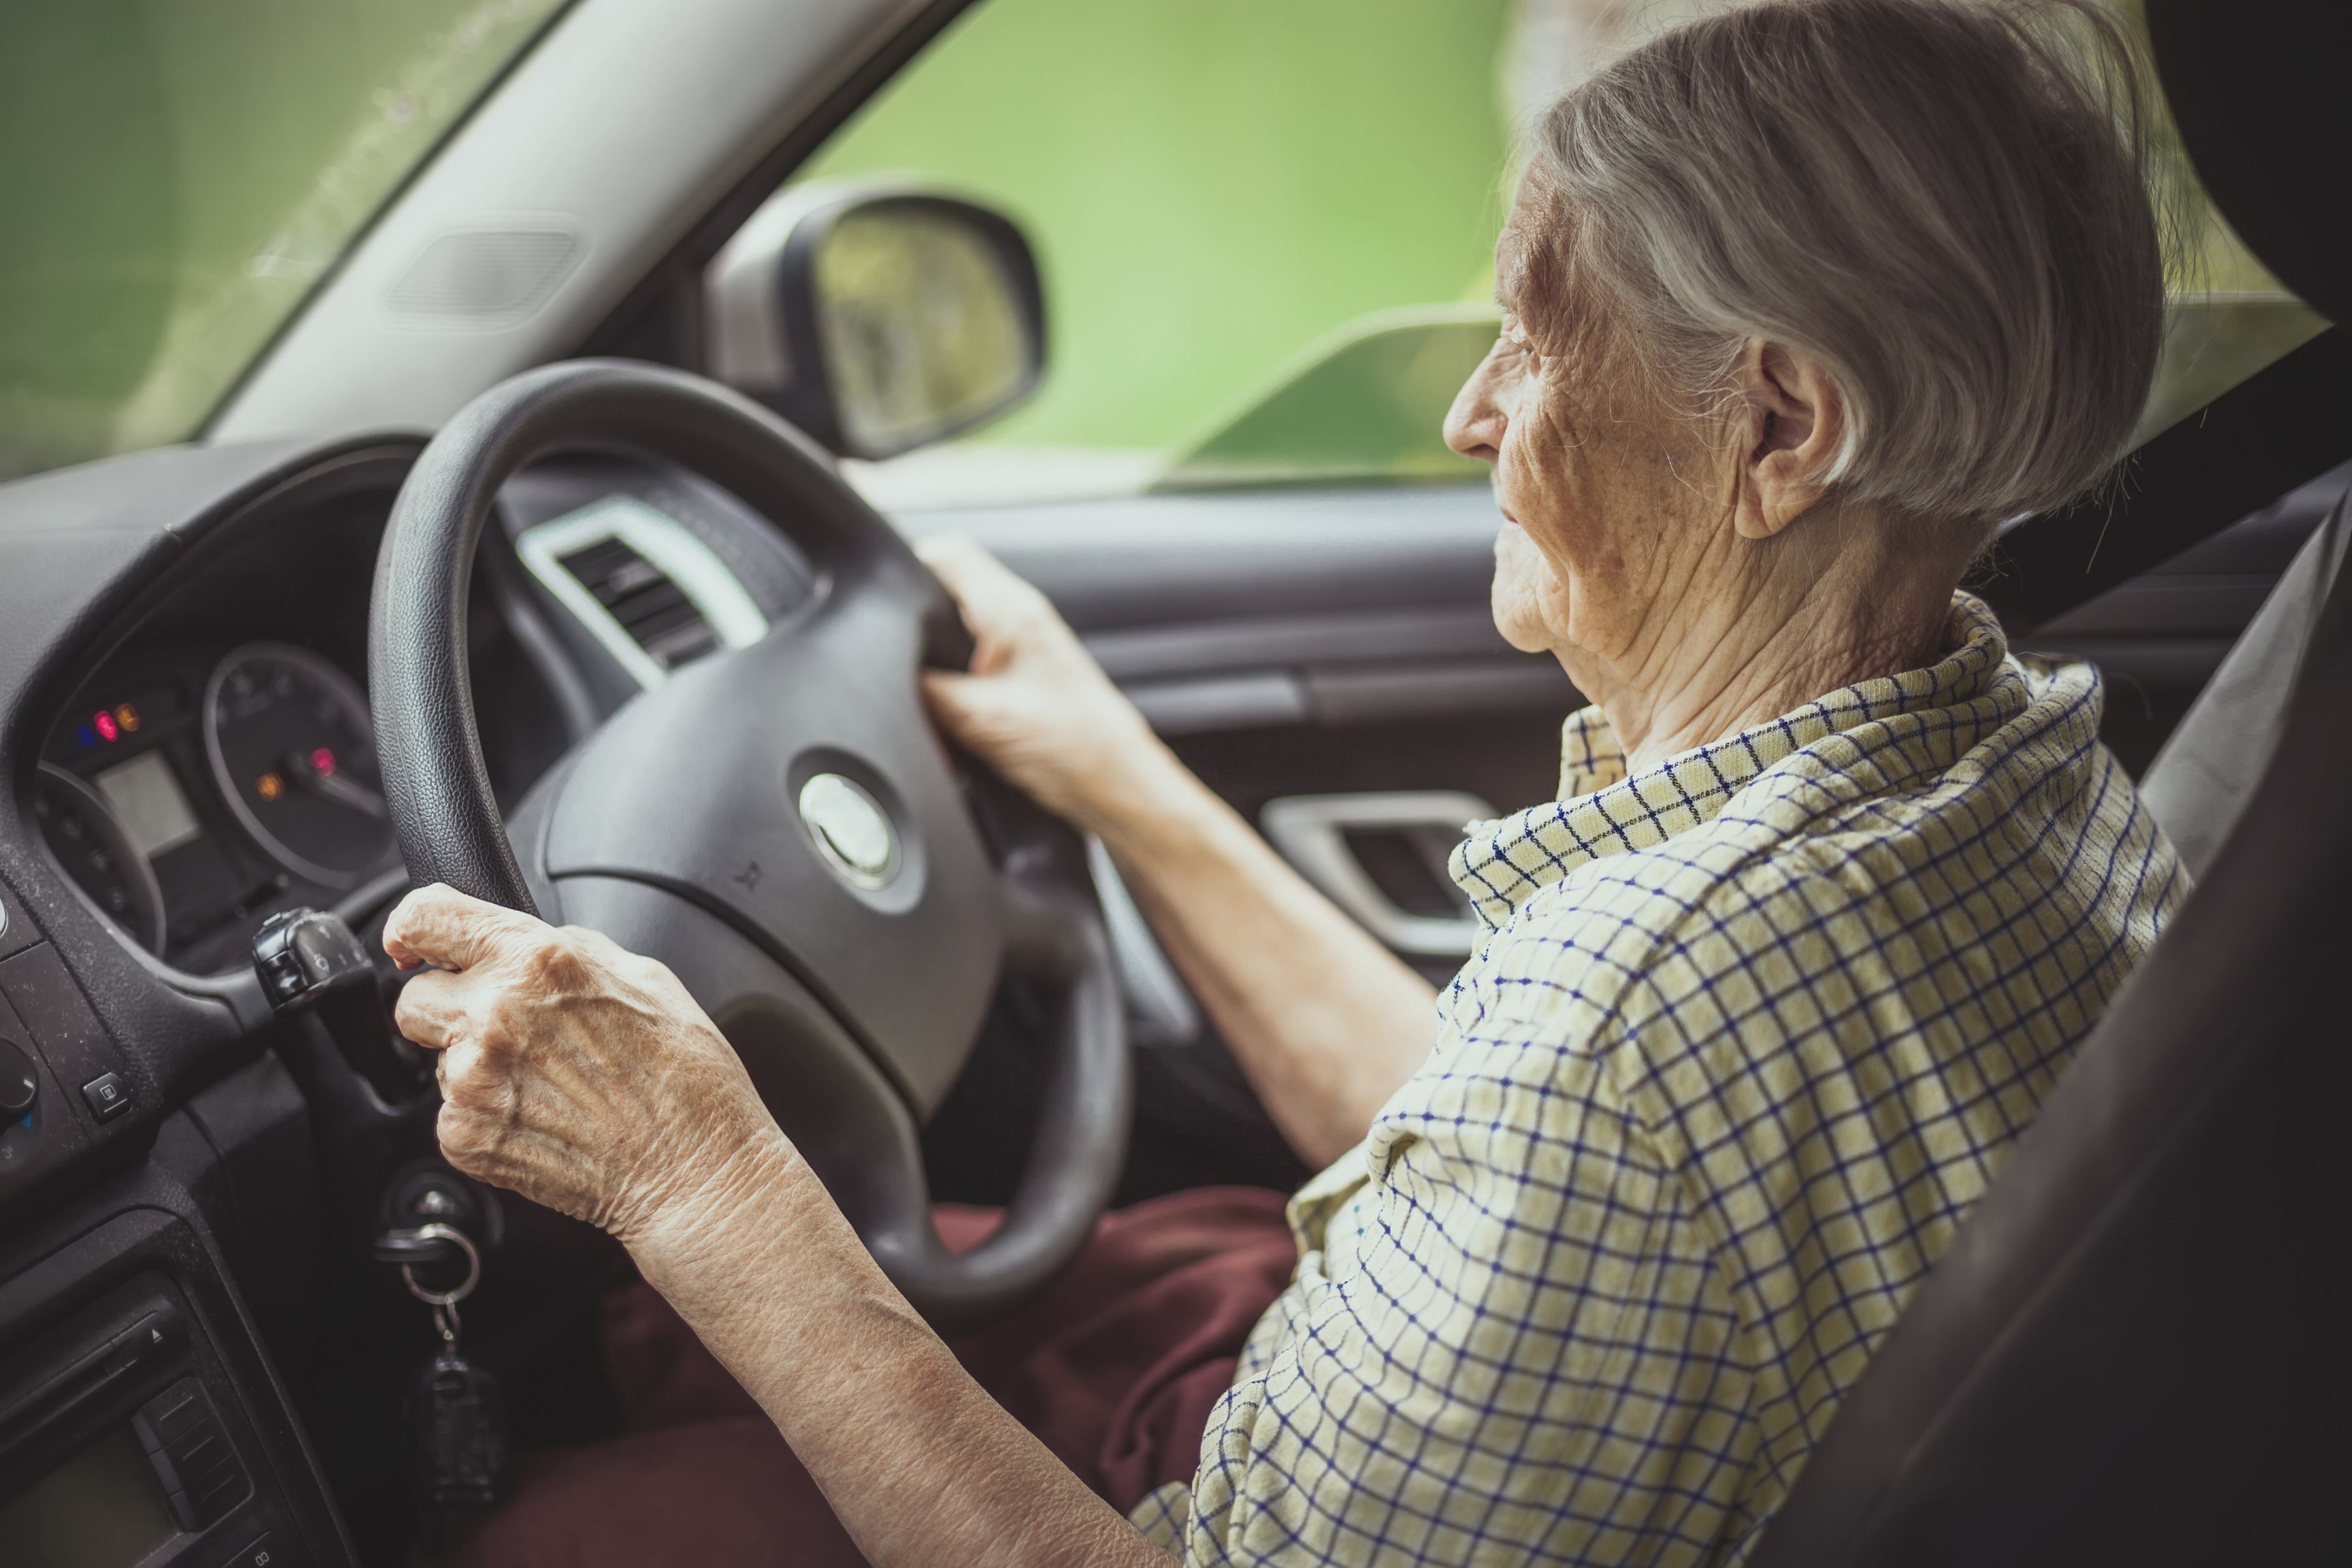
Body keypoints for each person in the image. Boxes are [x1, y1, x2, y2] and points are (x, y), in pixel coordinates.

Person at [391, 1, 2184, 1562]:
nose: (1475, 414)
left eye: (1538, 338)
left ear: (1777, 431)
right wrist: (1125, 787)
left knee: (552, 1522)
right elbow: (1558, 1145)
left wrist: (697, 1176)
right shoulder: (2020, 757)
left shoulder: (1631, 1023)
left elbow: (1592, 1107)